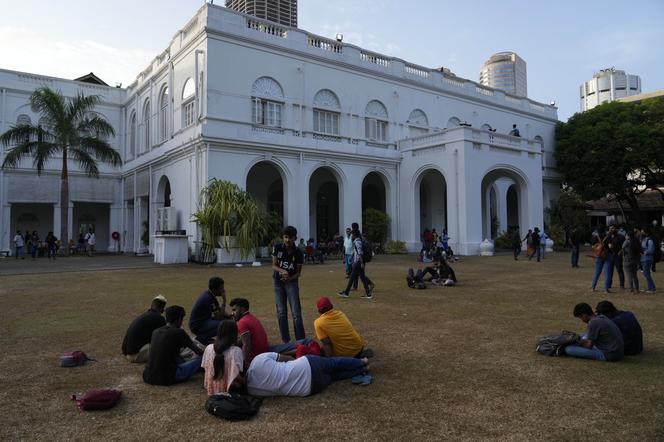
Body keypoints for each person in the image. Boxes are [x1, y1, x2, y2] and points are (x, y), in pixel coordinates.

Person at [246, 352, 370, 397]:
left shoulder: (252, 390)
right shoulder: (258, 360)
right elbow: (287, 358)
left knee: (334, 376)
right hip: (307, 365)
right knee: (333, 363)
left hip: (310, 388)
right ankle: (361, 362)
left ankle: (361, 370)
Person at [229, 297, 310, 366]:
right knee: (296, 347)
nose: (232, 313)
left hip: (259, 357)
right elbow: (246, 340)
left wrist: (244, 364)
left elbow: (247, 344)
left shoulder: (241, 323)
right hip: (265, 350)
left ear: (242, 309)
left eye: (234, 310)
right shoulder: (251, 317)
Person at [143, 305, 204, 385]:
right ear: (179, 319)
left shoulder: (156, 331)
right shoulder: (179, 332)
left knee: (177, 357)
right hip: (168, 377)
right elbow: (199, 352)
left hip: (148, 376)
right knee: (201, 359)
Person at [272, 225, 305, 343]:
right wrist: (282, 271)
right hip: (278, 283)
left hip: (292, 283)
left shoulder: (299, 253)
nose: (287, 240)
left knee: (296, 313)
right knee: (281, 312)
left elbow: (298, 273)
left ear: (295, 238)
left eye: (290, 238)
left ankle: (301, 341)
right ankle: (286, 341)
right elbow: (274, 265)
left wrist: (289, 278)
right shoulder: (277, 248)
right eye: (285, 237)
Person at [201, 319, 245, 395]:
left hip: (212, 391)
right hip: (230, 392)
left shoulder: (208, 348)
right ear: (234, 334)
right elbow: (236, 376)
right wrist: (246, 382)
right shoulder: (236, 351)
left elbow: (205, 368)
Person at [122, 295, 167, 363]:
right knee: (165, 347)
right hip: (135, 355)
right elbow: (163, 339)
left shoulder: (144, 316)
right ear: (162, 309)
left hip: (127, 353)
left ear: (151, 305)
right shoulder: (159, 318)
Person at [189, 276, 229, 345]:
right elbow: (219, 317)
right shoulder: (208, 298)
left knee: (227, 320)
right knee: (224, 325)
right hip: (197, 325)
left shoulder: (210, 295)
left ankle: (204, 337)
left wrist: (229, 316)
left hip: (202, 321)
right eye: (221, 288)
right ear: (214, 289)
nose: (223, 290)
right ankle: (202, 338)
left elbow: (220, 312)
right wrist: (224, 301)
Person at [338, 229, 375, 299]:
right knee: (362, 277)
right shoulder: (358, 240)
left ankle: (346, 292)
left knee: (352, 277)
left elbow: (360, 253)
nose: (351, 236)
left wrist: (361, 263)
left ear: (354, 235)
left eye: (352, 234)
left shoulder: (357, 241)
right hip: (358, 262)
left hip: (358, 262)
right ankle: (368, 293)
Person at [591, 227, 611, 293]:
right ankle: (606, 289)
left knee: (597, 272)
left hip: (598, 256)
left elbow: (593, 247)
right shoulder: (608, 237)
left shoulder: (595, 237)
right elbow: (610, 246)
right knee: (607, 273)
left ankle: (593, 287)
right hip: (606, 256)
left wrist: (597, 252)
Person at [605, 225, 624, 290]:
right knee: (610, 271)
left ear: (616, 229)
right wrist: (608, 246)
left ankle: (622, 285)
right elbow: (604, 245)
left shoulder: (620, 237)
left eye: (612, 228)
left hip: (617, 256)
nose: (611, 229)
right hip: (610, 255)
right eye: (610, 228)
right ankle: (609, 284)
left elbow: (625, 245)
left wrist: (621, 251)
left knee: (619, 270)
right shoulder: (608, 237)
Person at [640, 226, 657, 293]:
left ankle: (652, 288)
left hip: (647, 259)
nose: (641, 232)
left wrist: (643, 252)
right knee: (646, 273)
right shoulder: (644, 239)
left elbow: (651, 250)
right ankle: (650, 287)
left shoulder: (650, 240)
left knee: (646, 273)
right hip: (643, 259)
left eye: (642, 231)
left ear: (646, 232)